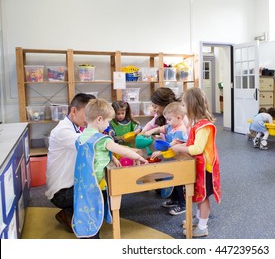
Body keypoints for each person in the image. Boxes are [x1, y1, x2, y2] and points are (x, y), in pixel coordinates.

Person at [72, 98, 148, 239]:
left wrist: (111, 157)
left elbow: (93, 153)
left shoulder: (81, 137)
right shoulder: (102, 139)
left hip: (83, 182)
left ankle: (89, 232)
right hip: (95, 184)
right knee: (93, 211)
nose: (108, 125)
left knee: (85, 209)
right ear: (99, 119)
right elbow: (120, 149)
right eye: (107, 121)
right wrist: (138, 157)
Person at [171, 87, 221, 238]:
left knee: (203, 197)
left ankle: (203, 227)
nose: (183, 109)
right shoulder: (197, 124)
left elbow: (197, 149)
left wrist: (180, 147)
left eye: (184, 105)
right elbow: (193, 143)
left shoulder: (204, 126)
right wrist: (182, 143)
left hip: (206, 168)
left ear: (192, 106)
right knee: (199, 194)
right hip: (199, 165)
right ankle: (199, 218)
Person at [45, 93, 96, 233]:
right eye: (87, 114)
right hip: (61, 192)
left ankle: (72, 212)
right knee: (100, 192)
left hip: (72, 184)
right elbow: (87, 142)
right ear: (74, 111)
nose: (89, 119)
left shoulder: (77, 127)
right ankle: (69, 213)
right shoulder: (63, 130)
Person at [144, 101, 188, 215]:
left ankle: (182, 205)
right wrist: (151, 131)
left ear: (179, 118)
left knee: (179, 183)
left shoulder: (180, 130)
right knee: (172, 180)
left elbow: (171, 146)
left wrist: (159, 152)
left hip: (182, 161)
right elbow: (162, 128)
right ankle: (174, 200)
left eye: (169, 119)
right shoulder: (171, 126)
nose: (167, 122)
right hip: (174, 160)